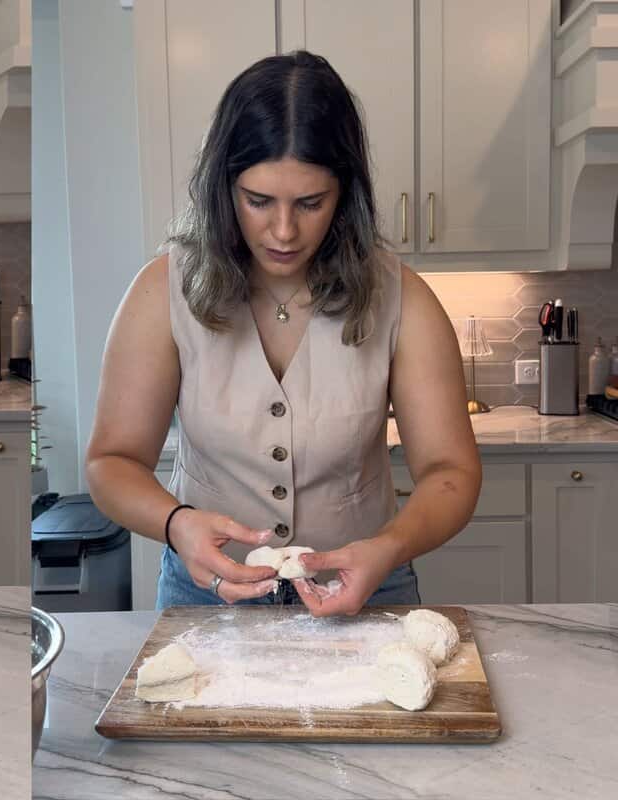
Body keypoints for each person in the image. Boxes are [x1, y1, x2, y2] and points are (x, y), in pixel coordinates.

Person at [86, 51, 482, 616]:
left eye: (310, 203)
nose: (284, 230)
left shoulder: (403, 297)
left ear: (345, 194)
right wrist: (177, 525)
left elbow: (452, 471)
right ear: (223, 189)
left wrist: (387, 548)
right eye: (258, 200)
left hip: (369, 590)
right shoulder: (161, 291)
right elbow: (111, 462)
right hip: (205, 593)